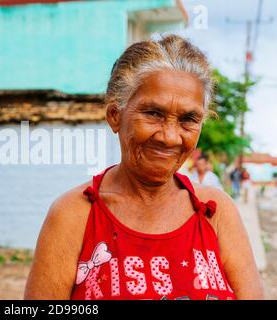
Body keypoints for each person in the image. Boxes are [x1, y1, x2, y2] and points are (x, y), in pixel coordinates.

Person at [24, 35, 262, 300]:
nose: (170, 137)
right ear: (115, 116)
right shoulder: (74, 216)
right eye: (153, 114)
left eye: (188, 119)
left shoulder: (216, 212)